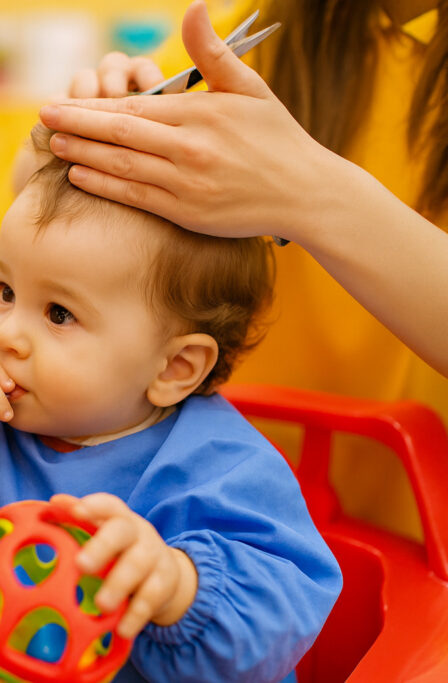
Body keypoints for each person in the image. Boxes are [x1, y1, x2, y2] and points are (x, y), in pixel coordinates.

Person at [0, 125, 341, 682]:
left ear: (173, 368)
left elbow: (274, 625)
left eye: (59, 314)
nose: (5, 334)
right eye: (6, 291)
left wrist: (176, 585)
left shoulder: (226, 469)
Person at [38, 0, 448, 542]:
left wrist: (310, 193)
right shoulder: (277, 28)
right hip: (202, 512)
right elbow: (37, 187)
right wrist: (80, 138)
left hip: (413, 534)